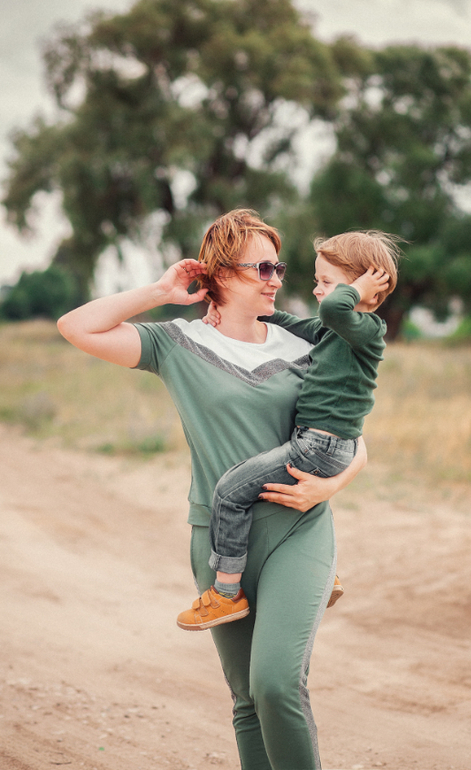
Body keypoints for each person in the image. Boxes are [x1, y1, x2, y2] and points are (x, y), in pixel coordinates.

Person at [57, 208, 368, 770]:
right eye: (262, 268)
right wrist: (159, 292)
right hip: (218, 540)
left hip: (298, 528)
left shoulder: (308, 344)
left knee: (275, 684)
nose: (276, 279)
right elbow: (77, 327)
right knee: (247, 699)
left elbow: (353, 438)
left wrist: (329, 488)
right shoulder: (176, 343)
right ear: (221, 273)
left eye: (279, 268)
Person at [177, 230, 398, 631]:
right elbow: (294, 323)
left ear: (366, 287)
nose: (317, 290)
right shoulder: (335, 331)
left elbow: (333, 309)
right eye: (317, 281)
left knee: (228, 492)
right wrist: (229, 308)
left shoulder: (367, 329)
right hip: (320, 443)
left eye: (326, 282)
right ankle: (318, 574)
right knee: (285, 497)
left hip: (320, 445)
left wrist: (357, 290)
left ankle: (225, 592)